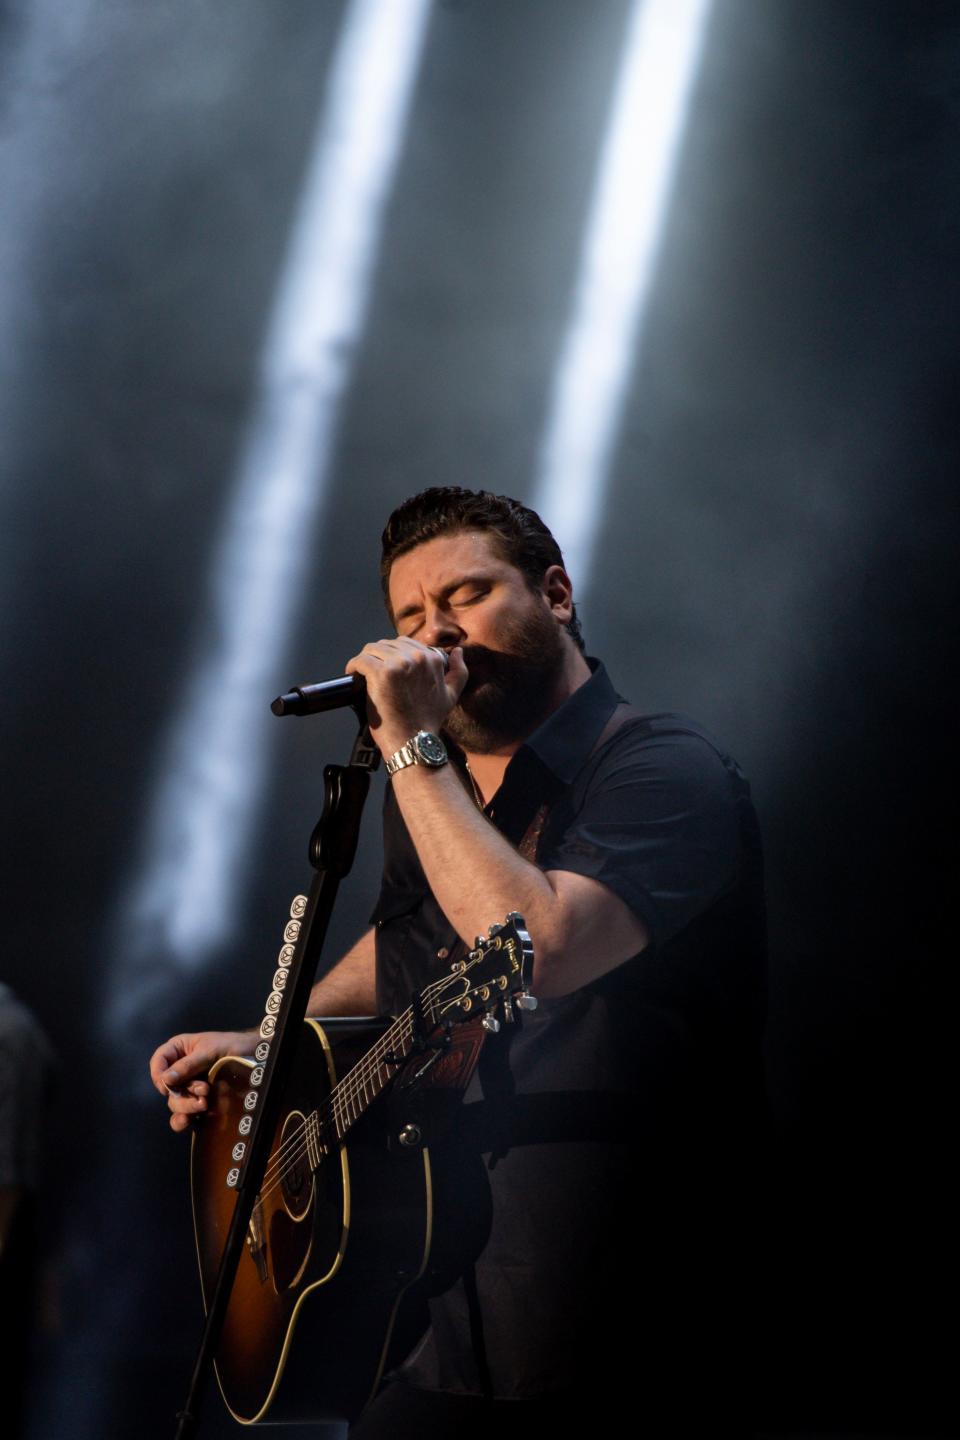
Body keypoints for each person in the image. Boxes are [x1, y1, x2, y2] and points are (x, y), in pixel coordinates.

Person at [150, 487, 767, 1436]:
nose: (435, 636)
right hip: (432, 1297)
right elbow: (402, 943)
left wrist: (412, 747)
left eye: (466, 597)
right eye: (410, 617)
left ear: (555, 594)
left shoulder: (663, 768)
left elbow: (540, 949)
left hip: (609, 1308)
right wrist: (264, 1043)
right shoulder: (434, 788)